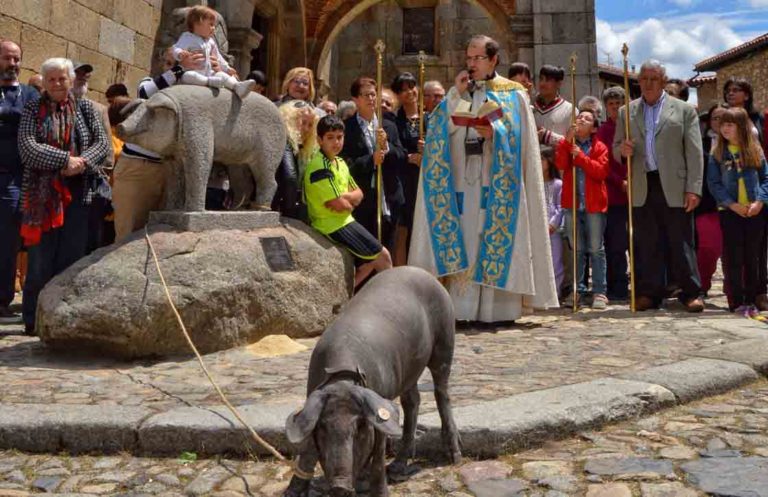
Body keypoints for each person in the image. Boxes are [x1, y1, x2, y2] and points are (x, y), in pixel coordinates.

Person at [409, 35, 558, 323]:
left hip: (497, 181)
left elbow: (523, 141)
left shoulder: (513, 94)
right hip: (464, 181)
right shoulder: (458, 92)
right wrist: (455, 96)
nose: (472, 64)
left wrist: (497, 134)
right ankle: (461, 309)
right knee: (465, 236)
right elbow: (439, 132)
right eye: (469, 58)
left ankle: (498, 310)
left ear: (493, 60)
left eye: (478, 58)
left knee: (490, 236)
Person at [18, 57, 110, 334]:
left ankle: (60, 319)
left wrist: (79, 163)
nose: (58, 84)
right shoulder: (33, 108)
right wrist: (64, 160)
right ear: (44, 82)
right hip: (42, 196)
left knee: (71, 257)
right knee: (40, 261)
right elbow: (27, 147)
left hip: (79, 194)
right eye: (52, 79)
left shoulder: (86, 108)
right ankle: (33, 319)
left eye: (62, 79)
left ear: (71, 81)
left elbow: (102, 144)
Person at [614, 59, 704, 312]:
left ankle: (690, 292)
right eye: (644, 79)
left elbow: (695, 152)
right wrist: (622, 150)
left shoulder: (684, 110)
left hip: (675, 184)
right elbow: (615, 148)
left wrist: (694, 188)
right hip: (643, 183)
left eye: (654, 79)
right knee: (647, 242)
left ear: (663, 81)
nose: (649, 84)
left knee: (680, 240)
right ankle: (649, 292)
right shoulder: (626, 112)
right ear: (638, 82)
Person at [112, 47, 206, 241]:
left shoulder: (189, 92)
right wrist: (179, 70)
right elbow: (146, 93)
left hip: (169, 170)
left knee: (159, 236)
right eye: (170, 64)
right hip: (138, 169)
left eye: (179, 66)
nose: (174, 70)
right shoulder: (147, 83)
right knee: (127, 234)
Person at [304, 115, 391, 287]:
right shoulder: (319, 167)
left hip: (344, 220)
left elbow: (359, 194)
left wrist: (345, 198)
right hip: (331, 225)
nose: (336, 142)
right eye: (330, 138)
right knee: (384, 257)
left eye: (339, 137)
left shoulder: (340, 162)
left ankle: (347, 298)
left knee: (370, 261)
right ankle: (392, 299)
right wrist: (347, 200)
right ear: (319, 140)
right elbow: (340, 205)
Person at [706, 107, 768, 314]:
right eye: (723, 124)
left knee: (753, 257)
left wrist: (759, 202)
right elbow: (714, 183)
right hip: (730, 212)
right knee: (733, 257)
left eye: (730, 124)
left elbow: (765, 179)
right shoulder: (716, 153)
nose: (725, 128)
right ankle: (736, 301)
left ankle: (751, 299)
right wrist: (731, 204)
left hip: (754, 212)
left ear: (741, 127)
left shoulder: (755, 151)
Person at [341, 76, 405, 252]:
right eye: (365, 95)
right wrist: (371, 160)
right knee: (366, 252)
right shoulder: (347, 128)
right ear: (355, 99)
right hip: (364, 200)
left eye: (373, 94)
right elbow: (345, 164)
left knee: (388, 247)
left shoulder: (388, 126)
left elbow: (401, 156)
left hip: (389, 197)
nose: (371, 99)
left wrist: (387, 147)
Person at [0, 40, 39, 324]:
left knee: (6, 239)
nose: (12, 65)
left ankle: (1, 299)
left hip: (11, 179)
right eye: (6, 59)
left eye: (16, 60)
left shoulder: (29, 95)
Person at [556, 109, 609, 309]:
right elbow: (560, 163)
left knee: (596, 248)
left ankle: (599, 292)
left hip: (593, 204)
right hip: (572, 204)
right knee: (576, 249)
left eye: (587, 119)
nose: (581, 120)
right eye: (579, 117)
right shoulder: (568, 145)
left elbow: (600, 171)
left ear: (594, 127)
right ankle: (578, 290)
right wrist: (565, 142)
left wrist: (581, 158)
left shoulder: (600, 147)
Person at [173, 5, 254, 99]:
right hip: (194, 71)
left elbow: (219, 58)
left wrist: (227, 68)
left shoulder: (210, 42)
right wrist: (179, 54)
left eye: (214, 25)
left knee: (222, 75)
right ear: (197, 23)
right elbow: (176, 48)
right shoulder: (187, 37)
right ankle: (208, 81)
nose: (213, 28)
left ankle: (237, 86)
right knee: (187, 76)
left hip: (209, 72)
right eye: (211, 24)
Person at [597, 86, 629, 301]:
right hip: (615, 194)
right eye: (611, 104)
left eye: (619, 103)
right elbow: (603, 163)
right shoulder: (603, 132)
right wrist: (620, 182)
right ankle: (617, 285)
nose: (616, 108)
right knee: (615, 244)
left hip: (637, 192)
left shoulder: (633, 128)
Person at [391, 72, 423, 266]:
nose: (409, 92)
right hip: (404, 178)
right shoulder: (395, 121)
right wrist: (408, 157)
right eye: (403, 90)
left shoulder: (429, 119)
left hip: (423, 177)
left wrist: (427, 151)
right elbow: (395, 147)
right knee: (403, 227)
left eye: (411, 87)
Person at [697, 104, 727, 301]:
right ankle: (702, 284)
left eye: (725, 118)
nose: (720, 123)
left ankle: (735, 288)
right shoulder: (700, 143)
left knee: (735, 250)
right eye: (716, 118)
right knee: (707, 248)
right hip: (708, 204)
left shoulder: (743, 144)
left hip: (736, 204)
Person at [273, 100, 318, 219]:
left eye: (310, 125)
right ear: (290, 119)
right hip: (278, 206)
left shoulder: (301, 147)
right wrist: (290, 210)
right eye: (303, 122)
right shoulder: (284, 140)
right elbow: (290, 178)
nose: (307, 129)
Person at [541, 145, 564, 292]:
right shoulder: (532, 185)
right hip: (537, 227)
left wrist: (552, 224)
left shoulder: (557, 184)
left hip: (552, 229)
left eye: (542, 159)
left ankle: (555, 292)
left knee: (555, 261)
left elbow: (560, 206)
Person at [534, 64, 573, 146]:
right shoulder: (530, 105)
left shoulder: (570, 110)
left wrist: (547, 136)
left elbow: (573, 144)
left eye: (548, 80)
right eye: (541, 79)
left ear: (559, 84)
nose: (542, 83)